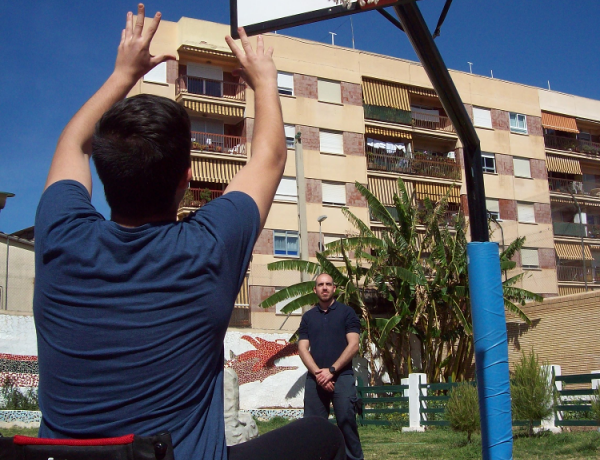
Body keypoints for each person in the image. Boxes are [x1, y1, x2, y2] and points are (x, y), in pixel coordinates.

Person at [33, 5, 345, 460]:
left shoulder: (60, 237)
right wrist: (262, 80)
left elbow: (71, 143)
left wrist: (123, 74)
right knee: (324, 437)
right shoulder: (205, 249)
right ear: (185, 180)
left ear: (103, 177)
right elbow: (272, 158)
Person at [297, 274, 365, 460]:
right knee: (313, 426)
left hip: (342, 376)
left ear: (334, 289)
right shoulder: (308, 317)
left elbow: (354, 345)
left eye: (328, 284)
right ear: (315, 290)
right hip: (315, 378)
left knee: (346, 422)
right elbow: (302, 348)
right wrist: (319, 374)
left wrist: (332, 370)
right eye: (320, 285)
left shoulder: (347, 313)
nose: (324, 288)